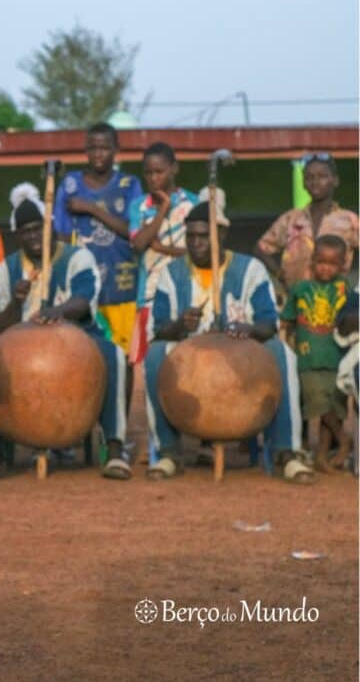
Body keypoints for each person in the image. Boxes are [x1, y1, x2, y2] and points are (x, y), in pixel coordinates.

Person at [144, 201, 310, 484]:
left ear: (220, 237)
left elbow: (268, 323)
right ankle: (169, 451)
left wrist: (248, 330)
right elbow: (159, 329)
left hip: (242, 356)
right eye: (191, 236)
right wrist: (179, 325)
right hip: (191, 361)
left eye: (203, 236)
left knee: (282, 352)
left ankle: (287, 452)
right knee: (156, 354)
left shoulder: (250, 269)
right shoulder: (171, 274)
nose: (195, 243)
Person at [0, 195, 131, 480]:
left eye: (38, 228)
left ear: (49, 228)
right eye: (27, 231)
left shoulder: (77, 257)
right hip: (20, 351)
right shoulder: (5, 270)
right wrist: (15, 304)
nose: (34, 236)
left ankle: (115, 448)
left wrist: (57, 310)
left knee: (114, 355)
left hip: (77, 340)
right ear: (18, 235)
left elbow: (84, 299)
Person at [53, 123, 143, 355]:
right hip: (82, 290)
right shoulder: (70, 185)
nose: (98, 154)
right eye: (93, 148)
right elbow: (61, 237)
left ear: (116, 150)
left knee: (125, 357)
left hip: (122, 286)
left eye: (104, 148)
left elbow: (134, 232)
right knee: (84, 355)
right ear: (85, 150)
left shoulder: (129, 185)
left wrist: (91, 209)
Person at [280, 235, 352, 471]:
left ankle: (321, 456)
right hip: (308, 358)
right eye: (321, 262)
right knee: (319, 404)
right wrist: (284, 348)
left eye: (333, 264)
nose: (326, 268)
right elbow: (287, 321)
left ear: (343, 265)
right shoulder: (301, 289)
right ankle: (344, 441)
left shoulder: (344, 289)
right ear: (312, 262)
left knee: (334, 405)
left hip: (336, 358)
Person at [128, 142, 199, 363]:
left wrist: (161, 248)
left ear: (174, 169)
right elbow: (139, 244)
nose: (153, 178)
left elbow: (197, 253)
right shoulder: (138, 206)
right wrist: (164, 209)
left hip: (186, 296)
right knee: (145, 365)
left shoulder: (193, 204)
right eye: (148, 173)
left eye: (159, 171)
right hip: (148, 298)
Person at [256, 154, 358, 293]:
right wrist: (280, 274)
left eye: (322, 176)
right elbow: (261, 249)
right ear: (303, 183)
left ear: (335, 180)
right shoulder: (290, 219)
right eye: (309, 177)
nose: (315, 182)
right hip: (295, 300)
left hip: (335, 302)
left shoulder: (349, 220)